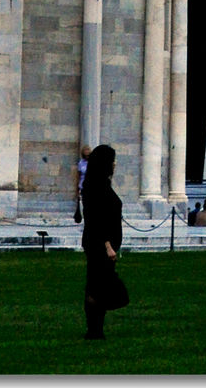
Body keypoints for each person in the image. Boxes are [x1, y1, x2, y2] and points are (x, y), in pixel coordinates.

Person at [79, 144, 127, 341]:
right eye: (112, 160)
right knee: (97, 285)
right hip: (98, 243)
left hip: (102, 243)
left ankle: (96, 329)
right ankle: (94, 330)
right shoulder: (95, 186)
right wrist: (107, 245)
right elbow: (96, 218)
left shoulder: (100, 184)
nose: (115, 164)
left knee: (99, 285)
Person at [75, 144, 90, 225]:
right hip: (83, 186)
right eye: (85, 151)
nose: (87, 152)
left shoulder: (93, 162)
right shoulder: (81, 162)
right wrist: (77, 188)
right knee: (84, 206)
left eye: (88, 151)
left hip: (91, 187)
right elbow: (78, 175)